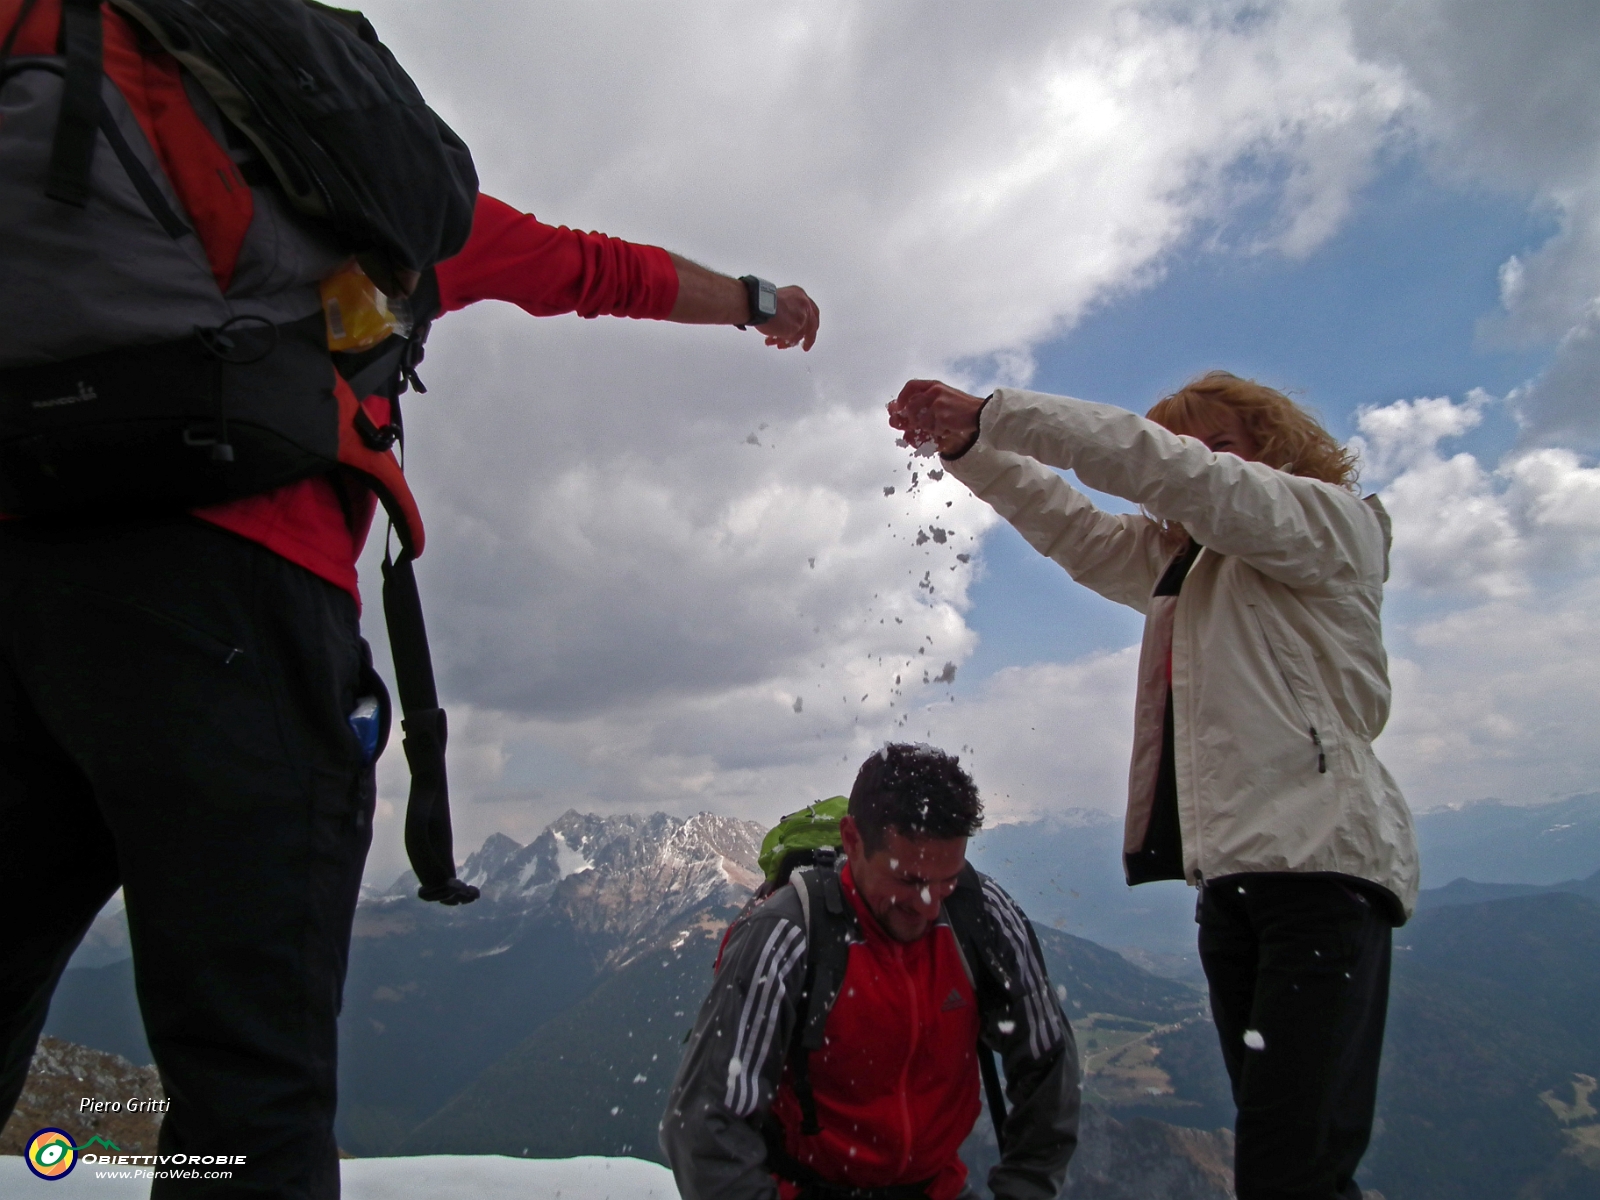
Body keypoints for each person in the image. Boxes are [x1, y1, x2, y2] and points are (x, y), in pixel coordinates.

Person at [0, 1, 818, 1191]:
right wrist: (750, 296)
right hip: (240, 606)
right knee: (245, 1088)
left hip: (20, 591)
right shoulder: (348, 198)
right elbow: (591, 270)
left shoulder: (41, 63)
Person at [887, 373, 1418, 1200]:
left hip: (1323, 872)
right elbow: (1078, 533)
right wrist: (971, 451)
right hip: (1235, 883)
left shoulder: (1332, 525)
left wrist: (999, 413)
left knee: (1291, 1168)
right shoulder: (1188, 569)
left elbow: (1177, 476)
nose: (1202, 460)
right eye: (1189, 442)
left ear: (1274, 449)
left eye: (1223, 444)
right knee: (1286, 1162)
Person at [662, 743, 1079, 1200]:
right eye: (909, 880)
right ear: (853, 840)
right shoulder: (788, 935)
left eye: (947, 878)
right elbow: (706, 1120)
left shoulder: (980, 913)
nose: (929, 905)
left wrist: (1026, 1188)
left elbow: (1048, 1058)